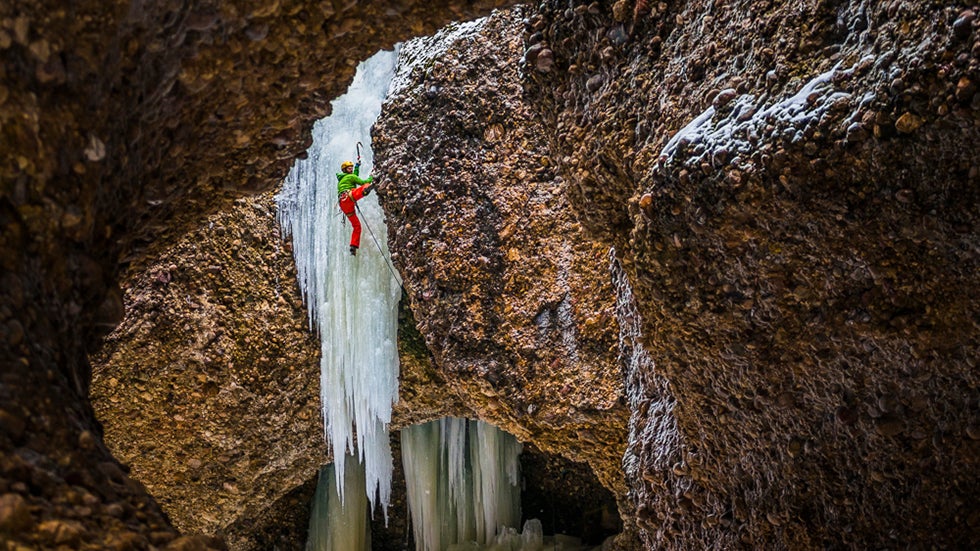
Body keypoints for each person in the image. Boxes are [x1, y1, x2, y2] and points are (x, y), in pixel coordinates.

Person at [337, 160, 374, 255]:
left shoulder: (343, 178)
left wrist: (357, 166)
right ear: (345, 170)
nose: (351, 169)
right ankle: (365, 190)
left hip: (344, 205)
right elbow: (362, 181)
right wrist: (371, 177)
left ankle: (353, 246)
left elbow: (354, 176)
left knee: (357, 226)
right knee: (365, 185)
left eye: (351, 168)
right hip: (349, 197)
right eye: (349, 168)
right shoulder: (351, 176)